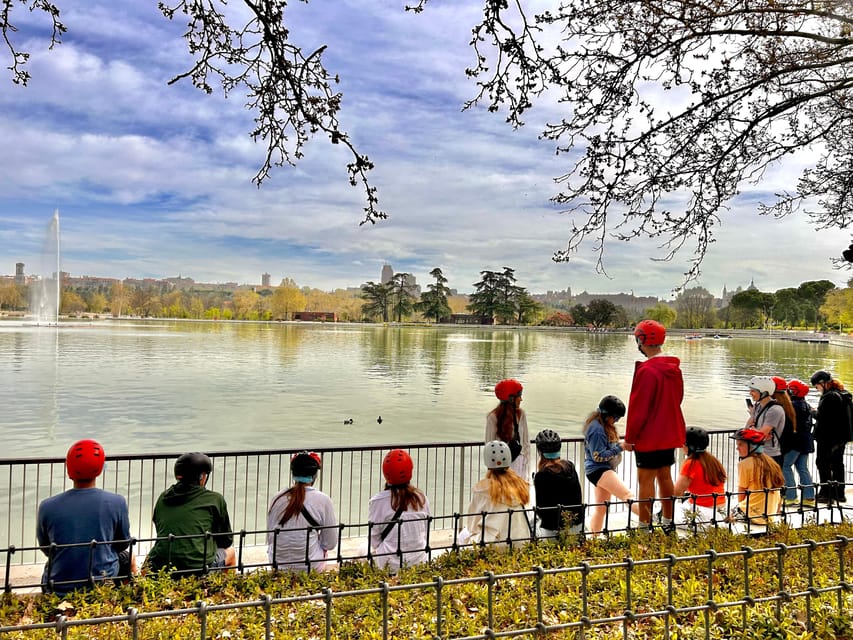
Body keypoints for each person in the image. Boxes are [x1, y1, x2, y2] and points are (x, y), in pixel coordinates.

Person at [36, 439, 134, 595]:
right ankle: (124, 599)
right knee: (127, 558)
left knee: (50, 564)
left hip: (57, 587)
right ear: (100, 469)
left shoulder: (46, 506)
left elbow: (46, 547)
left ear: (69, 470)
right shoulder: (117, 502)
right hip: (101, 582)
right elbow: (123, 543)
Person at [625, 320, 686, 528]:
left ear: (641, 340)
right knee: (665, 476)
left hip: (649, 435)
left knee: (646, 480)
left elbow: (638, 409)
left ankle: (644, 527)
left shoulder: (647, 371)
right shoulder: (673, 369)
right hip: (669, 432)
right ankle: (668, 522)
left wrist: (630, 439)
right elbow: (678, 399)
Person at [146, 452, 236, 575]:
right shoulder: (215, 499)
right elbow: (226, 540)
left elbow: (160, 528)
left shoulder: (163, 497)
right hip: (198, 568)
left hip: (161, 565)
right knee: (230, 552)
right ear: (202, 476)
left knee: (147, 563)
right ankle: (224, 590)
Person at [267, 451, 338, 572]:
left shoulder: (277, 498)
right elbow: (330, 543)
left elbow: (270, 538)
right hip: (310, 566)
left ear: (293, 473)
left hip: (278, 565)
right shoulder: (323, 500)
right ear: (315, 475)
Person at [368, 449, 431, 572]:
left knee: (363, 549)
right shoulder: (421, 498)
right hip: (419, 561)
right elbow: (426, 532)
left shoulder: (377, 502)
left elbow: (374, 540)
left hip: (389, 565)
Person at [460, 440, 532, 548]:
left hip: (492, 545)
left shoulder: (482, 490)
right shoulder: (521, 486)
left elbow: (472, 525)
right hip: (521, 542)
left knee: (463, 535)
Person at [583, 396, 637, 535]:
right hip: (599, 469)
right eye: (616, 418)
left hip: (597, 469)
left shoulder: (600, 425)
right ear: (607, 415)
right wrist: (620, 447)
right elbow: (598, 456)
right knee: (628, 496)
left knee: (601, 508)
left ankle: (594, 539)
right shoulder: (597, 430)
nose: (616, 421)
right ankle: (652, 520)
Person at [810, 370, 853, 503]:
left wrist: (813, 412)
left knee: (823, 464)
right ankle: (839, 493)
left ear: (823, 383)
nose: (817, 389)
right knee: (837, 464)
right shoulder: (844, 395)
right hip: (841, 437)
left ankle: (825, 493)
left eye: (816, 386)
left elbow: (823, 417)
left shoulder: (830, 397)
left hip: (828, 437)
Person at [672, 427, 727, 529]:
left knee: (663, 513)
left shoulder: (690, 464)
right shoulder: (713, 461)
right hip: (720, 510)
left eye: (684, 443)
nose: (682, 446)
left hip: (703, 514)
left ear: (689, 446)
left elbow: (676, 493)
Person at [727, 428, 784, 526]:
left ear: (752, 446)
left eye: (740, 444)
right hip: (769, 515)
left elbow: (742, 489)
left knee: (725, 514)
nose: (737, 448)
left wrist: (740, 507)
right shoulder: (772, 463)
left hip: (752, 514)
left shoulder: (744, 464)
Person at [532, 429, 583, 537]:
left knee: (531, 523)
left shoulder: (541, 476)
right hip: (577, 525)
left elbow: (541, 511)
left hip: (553, 529)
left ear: (540, 452)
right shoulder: (570, 467)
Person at [485, 378, 530, 481]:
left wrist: (526, 467)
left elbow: (526, 443)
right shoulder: (493, 417)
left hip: (520, 465)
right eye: (519, 396)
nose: (521, 399)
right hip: (500, 468)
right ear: (511, 399)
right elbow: (489, 445)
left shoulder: (521, 414)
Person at [781, 379, 815, 506]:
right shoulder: (806, 405)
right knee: (802, 468)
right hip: (806, 442)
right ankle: (809, 497)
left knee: (785, 466)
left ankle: (791, 496)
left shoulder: (792, 405)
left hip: (795, 442)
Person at [745, 376, 786, 468]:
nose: (750, 393)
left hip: (770, 454)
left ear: (764, 392)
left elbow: (760, 434)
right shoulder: (758, 406)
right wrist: (754, 430)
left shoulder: (774, 410)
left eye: (753, 391)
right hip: (756, 451)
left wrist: (754, 430)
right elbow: (747, 428)